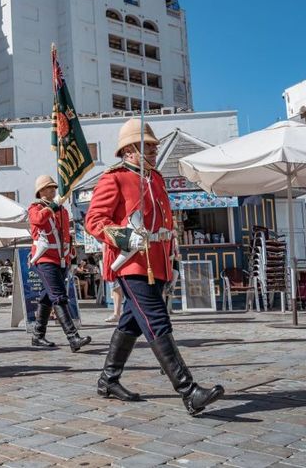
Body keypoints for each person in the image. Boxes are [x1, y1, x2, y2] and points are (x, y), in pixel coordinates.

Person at [85, 118, 224, 416]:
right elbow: (94, 221)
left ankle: (108, 380)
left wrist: (173, 261)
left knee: (131, 323)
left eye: (153, 146)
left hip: (157, 263)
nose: (153, 151)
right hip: (132, 263)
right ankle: (188, 391)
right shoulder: (115, 178)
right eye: (146, 147)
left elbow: (166, 225)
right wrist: (126, 237)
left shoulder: (155, 179)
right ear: (129, 150)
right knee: (156, 320)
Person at [28, 174, 91, 352]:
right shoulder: (35, 207)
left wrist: (69, 256)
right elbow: (38, 220)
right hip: (44, 258)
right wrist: (53, 206)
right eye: (50, 188)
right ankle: (73, 337)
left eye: (54, 188)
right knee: (58, 296)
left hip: (61, 259)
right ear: (41, 191)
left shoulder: (62, 210)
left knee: (47, 297)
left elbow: (65, 235)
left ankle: (38, 335)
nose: (54, 190)